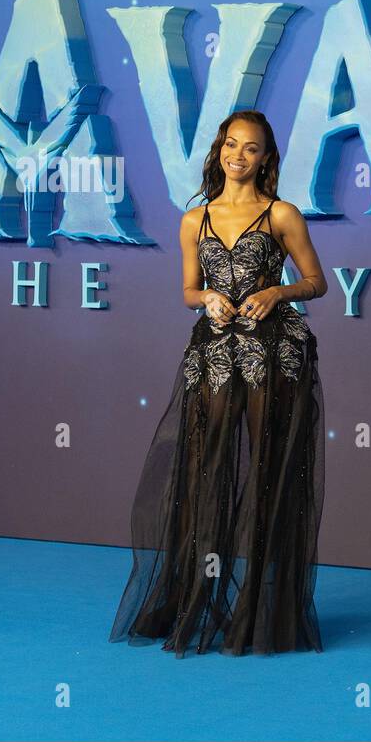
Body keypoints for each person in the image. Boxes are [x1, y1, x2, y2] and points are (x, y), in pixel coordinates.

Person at [109, 109, 328, 657]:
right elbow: (187, 290)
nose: (238, 155)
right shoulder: (194, 221)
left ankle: (262, 614)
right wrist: (205, 297)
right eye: (231, 144)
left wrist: (275, 293)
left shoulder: (282, 214)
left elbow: (316, 281)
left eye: (251, 148)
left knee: (265, 473)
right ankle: (192, 603)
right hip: (212, 353)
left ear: (265, 158)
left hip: (272, 353)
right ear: (219, 151)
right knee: (203, 473)